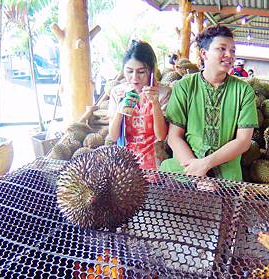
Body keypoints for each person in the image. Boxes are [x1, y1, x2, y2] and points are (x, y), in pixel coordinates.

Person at [160, 24, 258, 180]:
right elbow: (174, 137)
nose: (229, 55)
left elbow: (243, 141)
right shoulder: (184, 86)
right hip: (185, 168)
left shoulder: (244, 91)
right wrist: (198, 174)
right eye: (222, 48)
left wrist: (205, 164)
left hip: (226, 177)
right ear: (204, 53)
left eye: (232, 50)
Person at [107, 40, 170, 170]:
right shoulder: (118, 92)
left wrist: (155, 103)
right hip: (124, 167)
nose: (134, 78)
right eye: (129, 71)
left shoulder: (163, 93)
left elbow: (161, 136)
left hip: (155, 165)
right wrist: (120, 110)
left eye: (141, 72)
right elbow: (113, 136)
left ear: (152, 71)